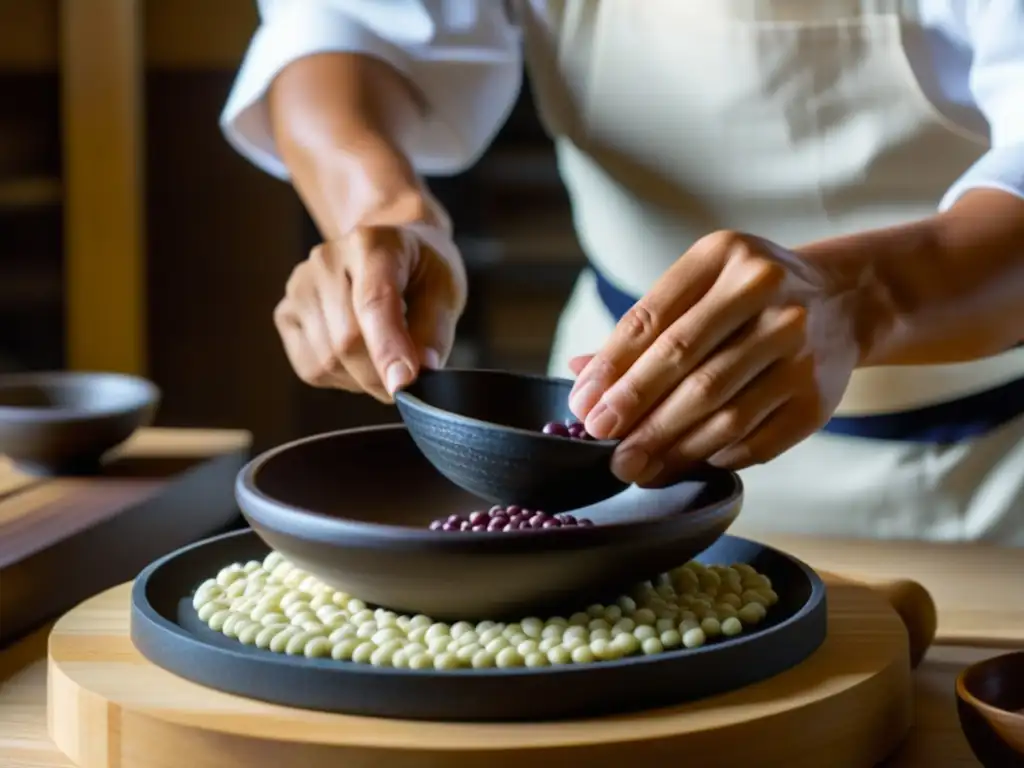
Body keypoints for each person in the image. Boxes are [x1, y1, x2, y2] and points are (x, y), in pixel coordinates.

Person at [222, 0, 1024, 543]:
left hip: (987, 482)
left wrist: (859, 300)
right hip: (611, 458)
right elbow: (352, 28)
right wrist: (383, 214)